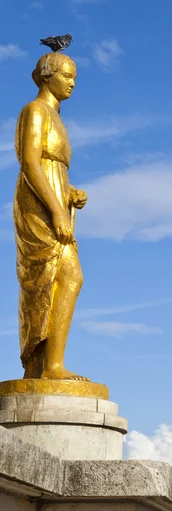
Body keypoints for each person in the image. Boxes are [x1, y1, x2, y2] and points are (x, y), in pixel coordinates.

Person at [14, 53, 88, 381]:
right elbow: (31, 162)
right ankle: (48, 366)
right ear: (47, 76)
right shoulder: (35, 111)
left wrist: (69, 192)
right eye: (67, 75)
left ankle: (43, 366)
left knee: (61, 279)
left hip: (55, 197)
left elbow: (52, 166)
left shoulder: (57, 118)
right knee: (56, 278)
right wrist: (57, 210)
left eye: (74, 77)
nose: (72, 82)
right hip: (38, 206)